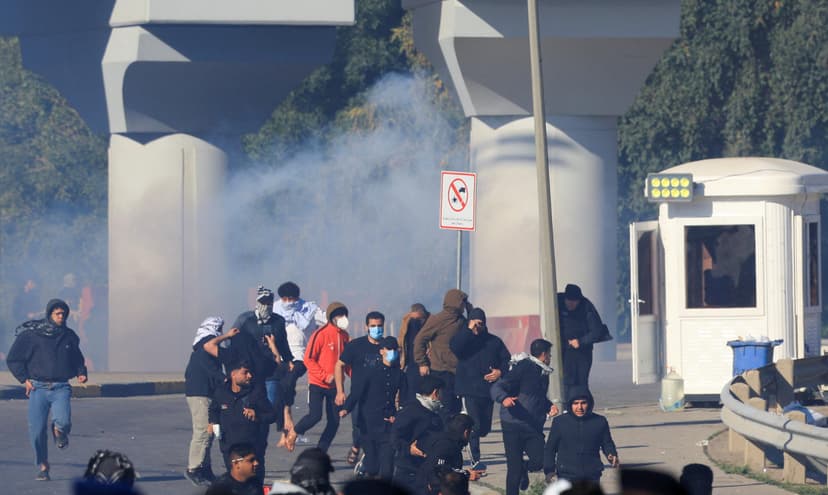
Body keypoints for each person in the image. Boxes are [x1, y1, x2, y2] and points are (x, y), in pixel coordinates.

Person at [6, 298, 88, 481]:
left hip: (61, 387)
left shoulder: (68, 336)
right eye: (57, 314)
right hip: (38, 388)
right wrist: (24, 379)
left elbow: (77, 358)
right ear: (49, 314)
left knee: (64, 421)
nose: (61, 317)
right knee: (36, 431)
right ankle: (43, 466)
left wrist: (81, 372)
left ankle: (59, 431)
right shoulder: (32, 335)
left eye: (63, 314)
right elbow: (13, 359)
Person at [491, 339, 559, 495]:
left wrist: (549, 406)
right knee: (513, 469)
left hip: (532, 425)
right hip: (513, 424)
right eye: (549, 354)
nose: (550, 357)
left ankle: (524, 468)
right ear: (543, 355)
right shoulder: (524, 368)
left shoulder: (541, 371)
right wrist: (504, 398)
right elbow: (497, 386)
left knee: (540, 460)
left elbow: (536, 396)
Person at [449, 307, 510, 471]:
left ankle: (461, 444)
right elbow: (455, 347)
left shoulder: (493, 341)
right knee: (473, 425)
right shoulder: (464, 340)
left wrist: (500, 371)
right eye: (474, 323)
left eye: (480, 324)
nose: (477, 327)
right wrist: (469, 330)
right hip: (468, 390)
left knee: (484, 428)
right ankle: (475, 460)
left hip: (487, 391)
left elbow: (506, 359)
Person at [286, 302, 351, 452]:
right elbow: (309, 359)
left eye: (344, 314)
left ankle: (320, 452)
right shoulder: (320, 334)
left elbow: (347, 363)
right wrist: (324, 376)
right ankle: (295, 431)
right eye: (339, 315)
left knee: (334, 422)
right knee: (315, 416)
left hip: (336, 386)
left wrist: (356, 376)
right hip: (318, 384)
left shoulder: (346, 337)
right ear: (331, 318)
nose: (342, 318)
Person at [340, 336, 405, 480]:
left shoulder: (400, 375)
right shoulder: (369, 372)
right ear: (382, 351)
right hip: (368, 424)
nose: (392, 352)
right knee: (373, 469)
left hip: (388, 425)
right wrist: (346, 408)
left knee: (387, 471)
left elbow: (406, 399)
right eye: (389, 349)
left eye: (395, 349)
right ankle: (365, 467)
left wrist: (399, 415)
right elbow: (357, 392)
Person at [273, 281, 325, 447]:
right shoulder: (275, 309)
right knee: (279, 390)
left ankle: (287, 414)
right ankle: (284, 430)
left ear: (297, 297)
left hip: (301, 356)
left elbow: (329, 320)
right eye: (285, 298)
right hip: (279, 357)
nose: (288, 302)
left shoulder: (309, 309)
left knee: (289, 381)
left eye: (291, 298)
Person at [209, 361, 277, 488]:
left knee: (253, 485)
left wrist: (257, 415)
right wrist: (213, 423)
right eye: (245, 372)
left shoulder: (256, 393)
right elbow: (213, 409)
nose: (249, 376)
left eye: (250, 372)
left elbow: (272, 415)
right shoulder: (221, 392)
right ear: (233, 374)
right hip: (230, 448)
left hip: (252, 449)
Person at [184, 316, 232, 486]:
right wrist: (224, 379)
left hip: (206, 393)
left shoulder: (205, 347)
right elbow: (212, 371)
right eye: (219, 329)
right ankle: (194, 468)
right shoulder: (204, 346)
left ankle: (205, 468)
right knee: (203, 432)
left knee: (209, 431)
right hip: (200, 394)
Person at [335, 310, 386, 466]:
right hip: (359, 396)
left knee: (381, 432)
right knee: (358, 426)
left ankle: (371, 460)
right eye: (373, 326)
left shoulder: (387, 346)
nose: (376, 329)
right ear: (366, 327)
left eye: (379, 326)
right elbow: (339, 365)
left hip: (381, 397)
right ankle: (357, 446)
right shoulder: (355, 346)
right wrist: (340, 390)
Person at [413, 289, 472, 416]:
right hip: (441, 371)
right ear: (456, 302)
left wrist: (470, 311)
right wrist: (422, 363)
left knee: (455, 408)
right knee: (444, 407)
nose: (464, 304)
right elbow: (420, 339)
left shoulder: (461, 320)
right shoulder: (438, 319)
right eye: (463, 302)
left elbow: (473, 332)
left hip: (457, 371)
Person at [544, 386, 618, 483]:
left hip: (592, 474)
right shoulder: (560, 422)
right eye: (575, 403)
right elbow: (550, 448)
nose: (579, 407)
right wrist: (549, 470)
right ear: (570, 404)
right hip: (566, 474)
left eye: (583, 403)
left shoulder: (599, 421)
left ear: (589, 403)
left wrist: (611, 454)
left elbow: (607, 442)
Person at [391, 375, 446, 494]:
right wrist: (408, 449)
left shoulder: (434, 414)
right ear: (435, 393)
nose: (443, 397)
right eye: (442, 393)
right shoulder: (410, 412)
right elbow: (394, 437)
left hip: (427, 471)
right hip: (409, 472)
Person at [557, 284, 607, 393]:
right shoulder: (557, 301)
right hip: (562, 350)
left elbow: (597, 331)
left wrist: (581, 341)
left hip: (582, 351)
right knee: (564, 381)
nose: (571, 304)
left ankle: (582, 406)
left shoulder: (586, 306)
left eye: (575, 301)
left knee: (580, 382)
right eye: (569, 300)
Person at [417, 414, 482, 491]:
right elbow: (438, 470)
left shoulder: (447, 440)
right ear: (466, 432)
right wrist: (466, 474)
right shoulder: (446, 446)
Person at [399, 303, 430, 403]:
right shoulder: (408, 322)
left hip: (424, 365)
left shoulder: (430, 322)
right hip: (411, 365)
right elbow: (403, 342)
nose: (416, 321)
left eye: (418, 319)